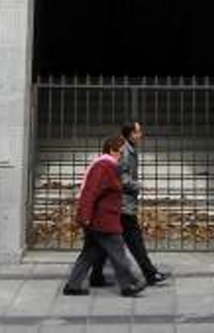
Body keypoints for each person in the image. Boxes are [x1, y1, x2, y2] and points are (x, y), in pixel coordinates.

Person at [62, 134, 144, 298]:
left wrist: (86, 216)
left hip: (98, 218)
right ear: (112, 151)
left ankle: (73, 285)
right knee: (118, 252)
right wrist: (85, 216)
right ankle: (128, 285)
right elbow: (91, 192)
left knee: (89, 253)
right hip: (103, 219)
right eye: (120, 153)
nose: (122, 156)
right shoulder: (105, 166)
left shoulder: (106, 165)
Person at [91, 122, 168, 288]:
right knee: (134, 241)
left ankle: (96, 276)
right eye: (138, 132)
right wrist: (138, 185)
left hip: (122, 204)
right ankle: (149, 274)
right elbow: (120, 177)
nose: (141, 135)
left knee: (105, 243)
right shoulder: (124, 151)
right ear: (131, 134)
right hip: (122, 205)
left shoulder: (129, 149)